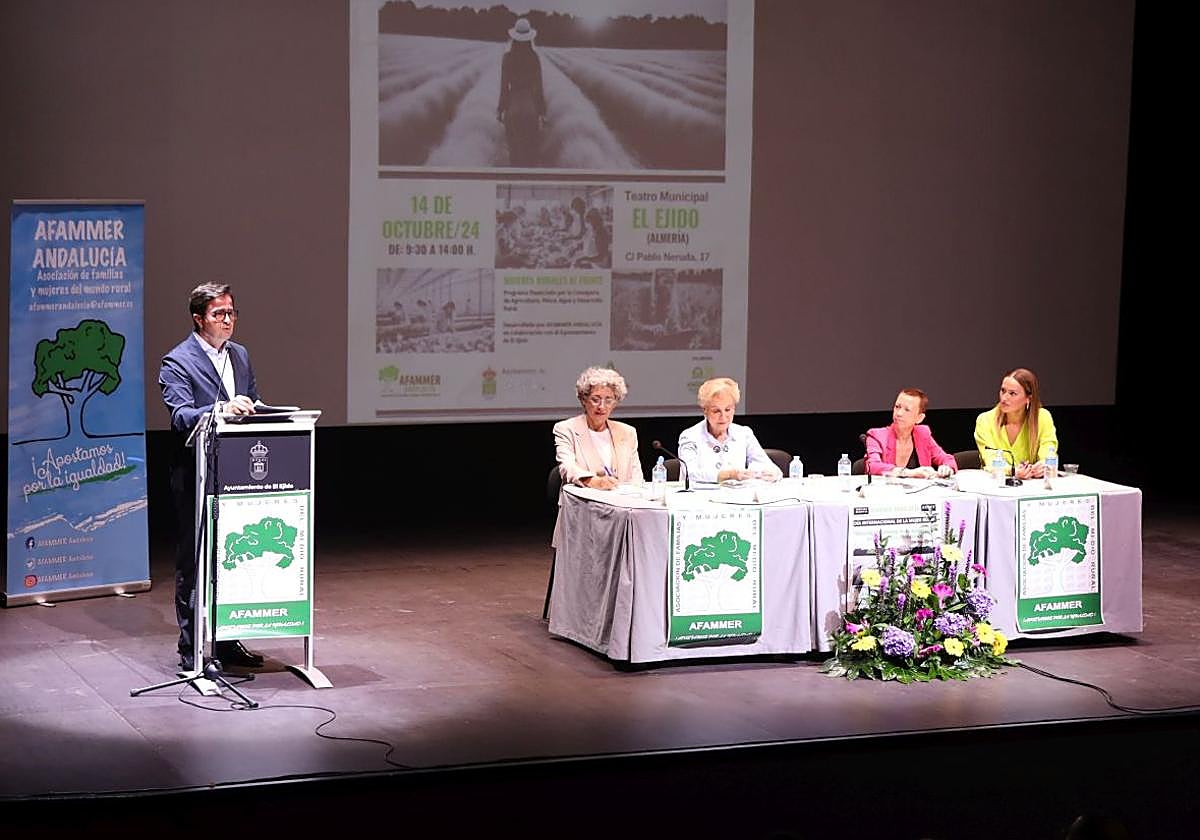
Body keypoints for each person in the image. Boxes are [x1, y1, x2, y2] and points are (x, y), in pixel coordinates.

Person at [158, 283, 265, 673]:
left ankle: (227, 640)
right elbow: (181, 416)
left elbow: (250, 400)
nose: (228, 320)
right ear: (198, 318)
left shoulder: (241, 355)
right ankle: (191, 651)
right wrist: (222, 408)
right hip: (195, 474)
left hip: (235, 472)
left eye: (232, 313)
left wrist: (265, 411)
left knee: (232, 558)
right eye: (219, 314)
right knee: (195, 562)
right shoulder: (177, 362)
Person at [678, 377, 782, 484]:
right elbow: (690, 473)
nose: (723, 417)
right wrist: (728, 475)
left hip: (735, 497)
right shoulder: (690, 436)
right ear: (705, 410)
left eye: (727, 410)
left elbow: (768, 466)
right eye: (716, 411)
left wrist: (770, 473)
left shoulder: (744, 434)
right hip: (697, 497)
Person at [553, 367, 643, 489]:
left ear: (615, 403)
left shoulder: (627, 432)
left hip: (623, 503)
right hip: (584, 503)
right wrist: (594, 482)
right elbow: (567, 467)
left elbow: (636, 477)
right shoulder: (566, 429)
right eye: (595, 400)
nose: (602, 406)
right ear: (584, 400)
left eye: (608, 400)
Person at [974, 367, 1059, 479]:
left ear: (1028, 398)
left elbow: (1049, 450)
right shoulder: (985, 420)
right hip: (997, 486)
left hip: (1033, 486)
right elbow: (990, 460)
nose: (1004, 398)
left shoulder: (1042, 417)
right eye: (1003, 391)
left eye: (1012, 393)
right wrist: (1013, 471)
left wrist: (1044, 465)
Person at [864, 388, 957, 478]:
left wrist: (947, 468)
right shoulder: (877, 436)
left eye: (907, 410)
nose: (899, 413)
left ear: (919, 418)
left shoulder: (923, 434)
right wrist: (908, 473)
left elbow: (946, 458)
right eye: (897, 407)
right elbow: (872, 466)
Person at [496, 17, 546, 167]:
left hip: (513, 105)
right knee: (531, 151)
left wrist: (500, 109)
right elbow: (539, 86)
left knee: (514, 153)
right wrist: (542, 111)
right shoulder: (534, 58)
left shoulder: (508, 57)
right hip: (530, 105)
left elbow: (504, 86)